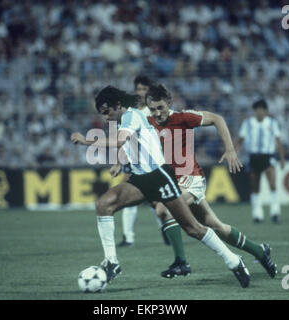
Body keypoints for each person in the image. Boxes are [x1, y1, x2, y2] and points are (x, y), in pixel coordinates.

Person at [71, 86, 251, 288]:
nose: (105, 118)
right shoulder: (125, 120)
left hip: (159, 177)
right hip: (140, 180)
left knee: (193, 228)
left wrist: (86, 140)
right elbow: (128, 144)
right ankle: (112, 262)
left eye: (107, 112)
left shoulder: (131, 116)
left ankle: (234, 261)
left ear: (118, 105)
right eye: (102, 114)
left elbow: (120, 140)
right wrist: (120, 162)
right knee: (104, 204)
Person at [144, 84, 278, 279]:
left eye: (160, 108)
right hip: (175, 183)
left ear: (169, 104)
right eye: (153, 109)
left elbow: (217, 119)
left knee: (164, 209)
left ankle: (181, 262)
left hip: (192, 179)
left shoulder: (183, 117)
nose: (156, 113)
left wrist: (230, 149)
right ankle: (259, 251)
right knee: (217, 227)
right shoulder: (148, 122)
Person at [118, 75, 171, 248]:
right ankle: (128, 237)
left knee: (155, 199)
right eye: (138, 89)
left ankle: (166, 230)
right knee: (127, 195)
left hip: (152, 159)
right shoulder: (130, 110)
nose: (141, 93)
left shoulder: (153, 110)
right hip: (133, 156)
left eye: (144, 89)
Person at [237, 99, 285, 224]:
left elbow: (278, 141)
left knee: (273, 185)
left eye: (261, 109)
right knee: (255, 187)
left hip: (268, 156)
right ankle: (257, 214)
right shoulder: (247, 123)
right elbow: (240, 140)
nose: (259, 112)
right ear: (254, 111)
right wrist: (234, 153)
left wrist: (282, 158)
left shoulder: (272, 123)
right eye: (257, 109)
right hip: (253, 157)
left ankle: (275, 212)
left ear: (266, 111)